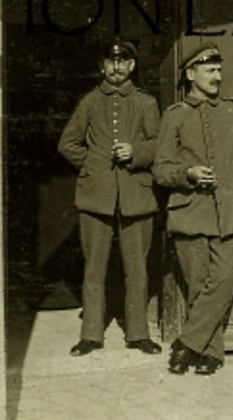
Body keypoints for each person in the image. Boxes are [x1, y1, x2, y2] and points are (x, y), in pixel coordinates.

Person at [153, 42, 233, 376]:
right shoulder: (175, 116)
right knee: (199, 286)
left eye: (219, 70)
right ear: (191, 74)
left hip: (230, 213)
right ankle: (212, 353)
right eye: (210, 70)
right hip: (190, 212)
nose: (217, 76)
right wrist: (188, 174)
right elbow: (160, 169)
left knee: (226, 278)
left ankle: (186, 344)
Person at [57, 35, 163, 356]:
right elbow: (67, 143)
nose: (116, 67)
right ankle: (91, 334)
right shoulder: (90, 102)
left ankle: (138, 333)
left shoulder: (146, 103)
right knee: (94, 267)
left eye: (123, 62)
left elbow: (161, 145)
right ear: (102, 66)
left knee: (137, 267)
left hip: (136, 193)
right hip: (96, 194)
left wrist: (137, 152)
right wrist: (92, 165)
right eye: (110, 62)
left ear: (131, 66)